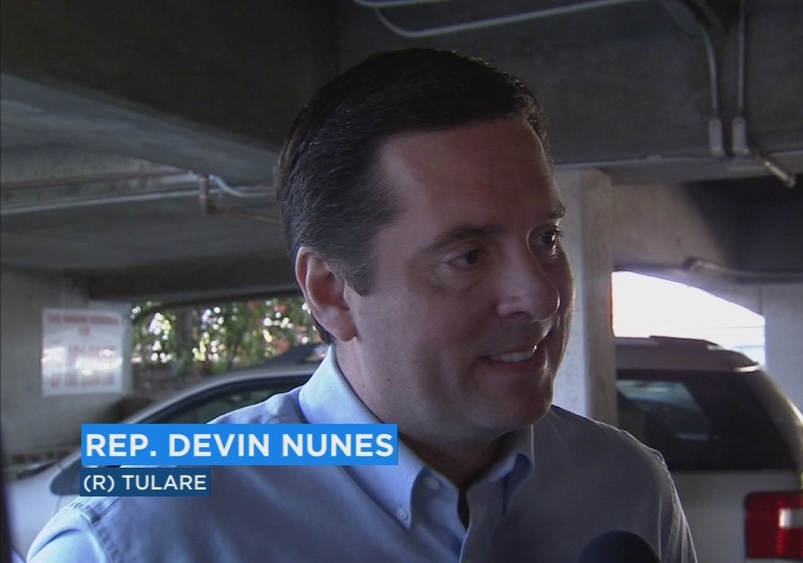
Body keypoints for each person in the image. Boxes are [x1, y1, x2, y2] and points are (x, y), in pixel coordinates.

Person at [28, 48, 697, 563]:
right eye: (468, 256)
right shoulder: (141, 536)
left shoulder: (626, 485)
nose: (542, 295)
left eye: (545, 238)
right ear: (331, 292)